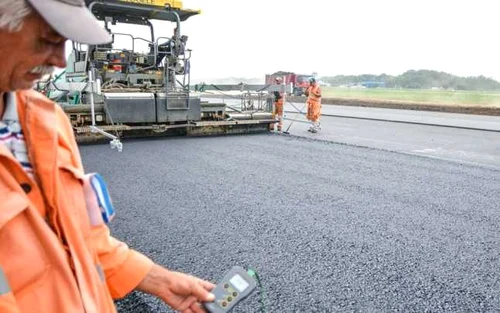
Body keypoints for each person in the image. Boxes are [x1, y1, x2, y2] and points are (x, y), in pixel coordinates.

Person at [0, 1, 215, 312]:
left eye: (65, 43)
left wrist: (158, 279)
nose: (60, 60)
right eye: (48, 39)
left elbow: (79, 236)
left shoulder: (47, 120)